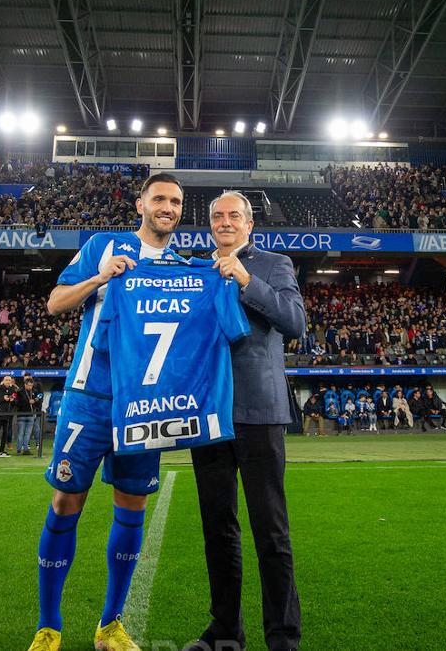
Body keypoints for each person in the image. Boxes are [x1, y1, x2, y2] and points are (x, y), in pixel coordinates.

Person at [27, 173, 184, 651]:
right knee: (65, 502)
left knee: (132, 506)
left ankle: (110, 624)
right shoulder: (104, 244)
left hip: (143, 406)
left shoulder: (181, 266)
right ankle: (49, 626)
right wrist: (100, 277)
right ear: (141, 204)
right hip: (89, 396)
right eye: (159, 198)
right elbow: (55, 303)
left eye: (176, 202)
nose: (168, 207)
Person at [184, 190, 305, 651]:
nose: (226, 221)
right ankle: (225, 631)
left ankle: (282, 637)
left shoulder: (274, 264)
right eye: (218, 215)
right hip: (209, 412)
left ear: (250, 224)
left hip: (259, 410)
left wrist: (246, 279)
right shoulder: (194, 269)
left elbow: (295, 322)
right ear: (210, 224)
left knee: (270, 531)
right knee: (218, 529)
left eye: (234, 215)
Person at [0, 375, 16, 458]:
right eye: (6, 380)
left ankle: (2, 451)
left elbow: (16, 400)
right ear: (3, 381)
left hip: (8, 414)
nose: (8, 381)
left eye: (9, 380)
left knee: (5, 433)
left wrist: (13, 400)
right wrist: (2, 399)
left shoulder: (12, 390)